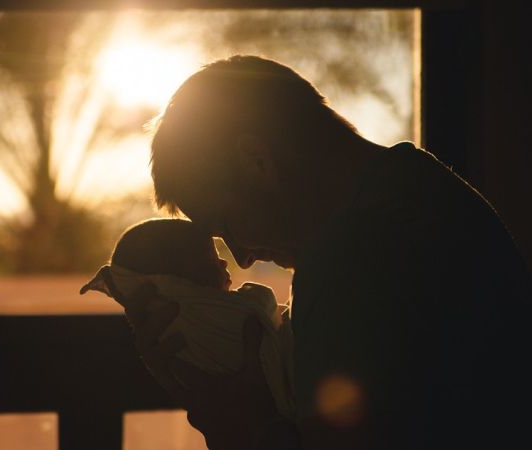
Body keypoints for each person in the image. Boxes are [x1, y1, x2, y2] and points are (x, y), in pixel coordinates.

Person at [118, 55, 532, 450]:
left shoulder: (350, 257)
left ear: (256, 160)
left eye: (226, 224)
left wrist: (237, 420)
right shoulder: (425, 188)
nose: (242, 259)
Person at [80, 218, 296, 421]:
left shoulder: (169, 333)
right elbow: (263, 308)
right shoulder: (205, 318)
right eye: (210, 260)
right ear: (176, 284)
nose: (226, 261)